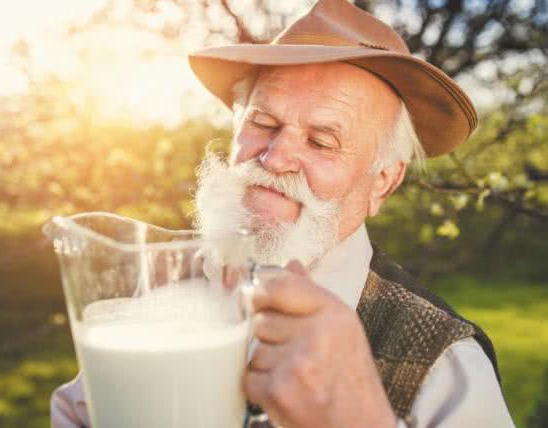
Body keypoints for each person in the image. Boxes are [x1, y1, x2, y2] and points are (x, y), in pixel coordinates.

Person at [51, 0, 515, 426]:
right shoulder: (160, 290)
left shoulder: (443, 363)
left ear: (382, 182)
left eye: (320, 142)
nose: (273, 159)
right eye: (262, 123)